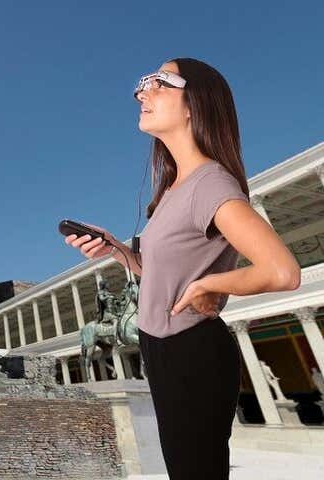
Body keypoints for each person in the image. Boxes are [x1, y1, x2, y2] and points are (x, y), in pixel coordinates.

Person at [64, 58, 301, 479]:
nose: (141, 92)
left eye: (158, 83)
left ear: (196, 103)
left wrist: (212, 283)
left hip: (193, 351)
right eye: (142, 84)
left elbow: (282, 270)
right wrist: (118, 250)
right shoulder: (174, 189)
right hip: (165, 352)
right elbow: (161, 278)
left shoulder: (211, 183)